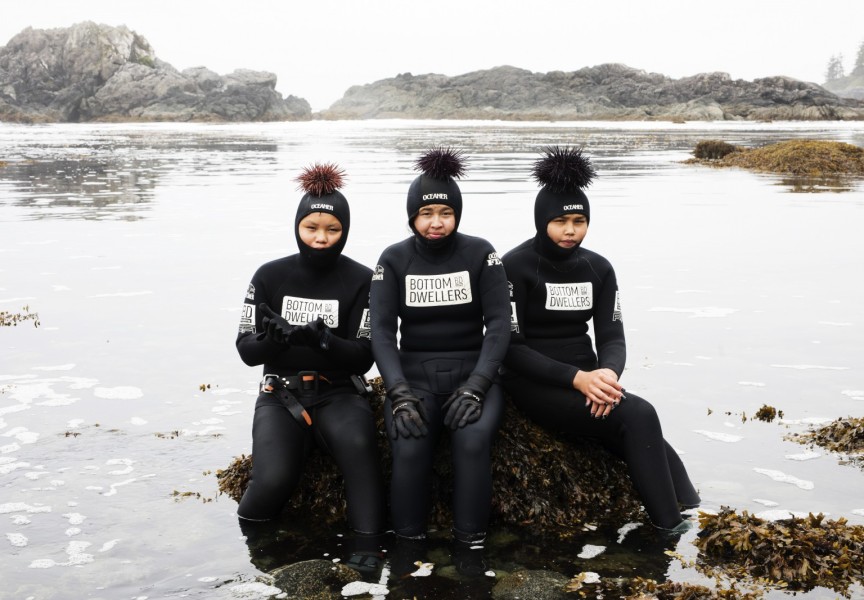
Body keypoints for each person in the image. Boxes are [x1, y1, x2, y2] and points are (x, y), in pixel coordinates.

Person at [500, 146, 700, 531]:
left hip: (591, 381)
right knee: (640, 414)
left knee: (654, 443)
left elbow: (612, 335)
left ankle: (692, 511)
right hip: (534, 383)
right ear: (542, 221)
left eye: (579, 220)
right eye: (560, 221)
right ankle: (669, 532)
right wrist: (578, 380)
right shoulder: (515, 266)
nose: (571, 230)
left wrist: (606, 374)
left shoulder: (598, 268)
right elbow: (511, 348)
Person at [234, 162, 385, 572]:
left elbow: (364, 354)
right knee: (271, 482)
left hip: (339, 392)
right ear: (297, 226)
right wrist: (272, 340)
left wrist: (323, 341)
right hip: (280, 395)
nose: (321, 238)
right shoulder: (269, 275)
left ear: (345, 231)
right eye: (311, 228)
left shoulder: (361, 279)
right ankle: (257, 560)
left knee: (360, 458)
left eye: (332, 230)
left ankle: (367, 561)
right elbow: (246, 349)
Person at [369, 148, 511, 552]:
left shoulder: (481, 253)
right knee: (409, 445)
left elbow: (499, 325)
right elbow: (381, 331)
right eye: (426, 213)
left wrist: (478, 386)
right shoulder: (393, 259)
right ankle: (408, 548)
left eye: (445, 214)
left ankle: (470, 549)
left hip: (474, 376)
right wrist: (397, 392)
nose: (436, 222)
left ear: (457, 216)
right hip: (414, 379)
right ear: (412, 215)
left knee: (471, 443)